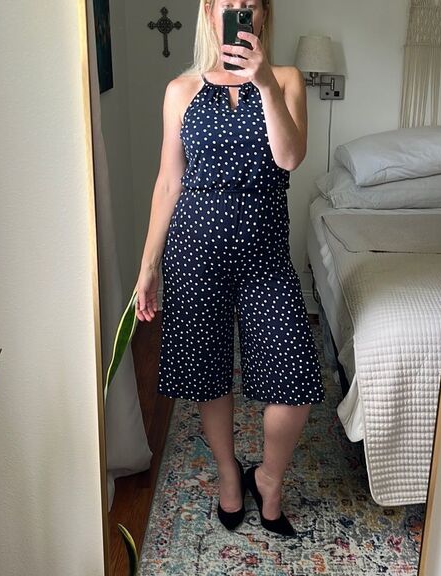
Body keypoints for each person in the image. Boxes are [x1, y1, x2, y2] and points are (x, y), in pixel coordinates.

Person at [134, 0, 325, 537]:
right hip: (195, 254)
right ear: (209, 13)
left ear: (262, 16)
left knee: (294, 377)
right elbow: (168, 182)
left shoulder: (286, 80)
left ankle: (268, 477)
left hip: (266, 257)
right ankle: (227, 473)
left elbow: (290, 158)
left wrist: (263, 84)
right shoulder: (180, 91)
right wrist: (148, 266)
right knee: (207, 373)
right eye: (228, 4)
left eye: (250, 5)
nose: (239, 12)